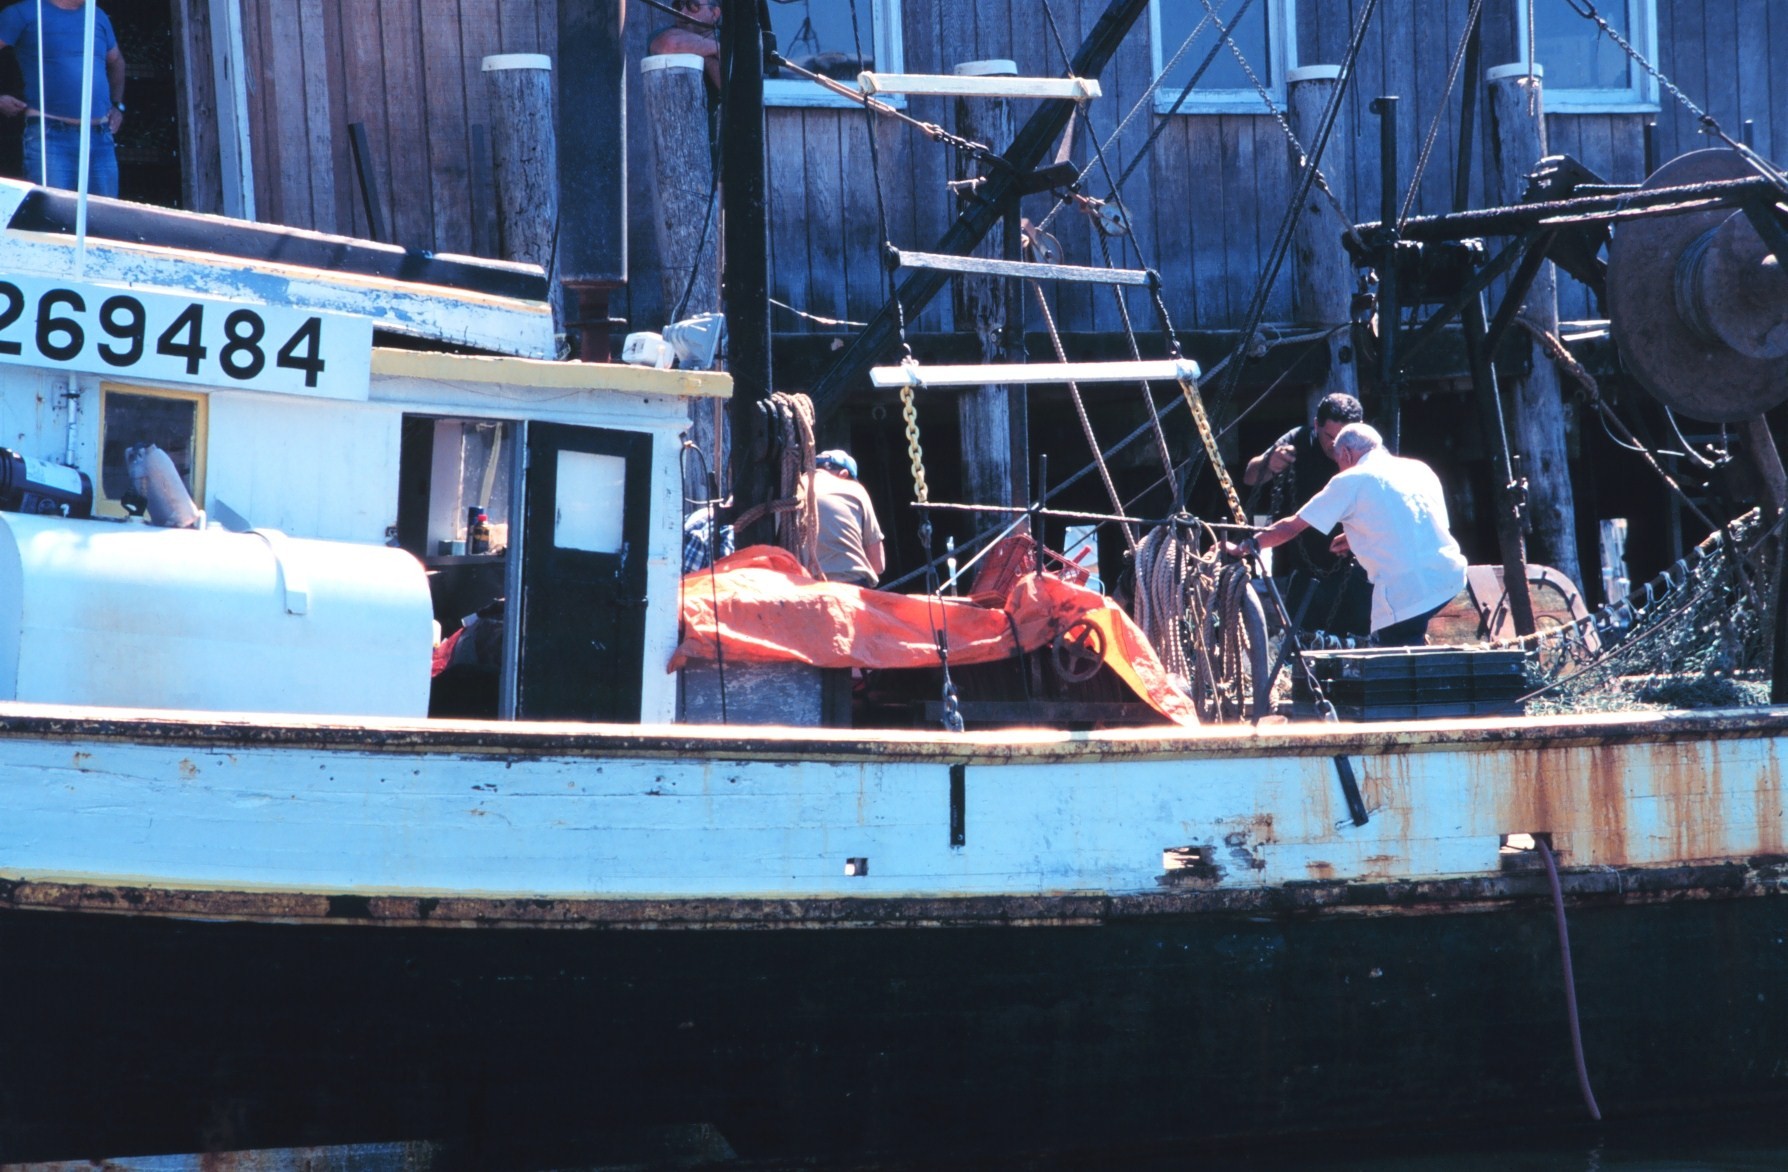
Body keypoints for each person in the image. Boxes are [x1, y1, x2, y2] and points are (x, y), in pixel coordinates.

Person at [1229, 424, 1466, 647]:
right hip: (1450, 577)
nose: (1338, 467)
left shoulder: (1351, 479)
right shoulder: (1419, 469)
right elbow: (1420, 524)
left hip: (1407, 591)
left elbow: (1291, 526)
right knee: (1407, 644)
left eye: (1338, 461)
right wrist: (1356, 538)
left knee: (1395, 664)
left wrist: (1246, 547)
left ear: (1347, 454)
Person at [1240, 392, 1370, 635]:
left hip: (1356, 568)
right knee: (1300, 646)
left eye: (1342, 439)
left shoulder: (1370, 451)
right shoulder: (1297, 441)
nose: (1335, 447)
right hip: (1306, 567)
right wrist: (1269, 462)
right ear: (1316, 425)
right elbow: (1250, 476)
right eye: (1329, 437)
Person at [0, 0, 125, 197]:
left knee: (104, 220)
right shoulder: (22, 13)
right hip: (50, 135)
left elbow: (117, 62)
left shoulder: (97, 16)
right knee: (53, 218)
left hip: (100, 137)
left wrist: (118, 106)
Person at [812, 449, 884, 588]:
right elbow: (877, 564)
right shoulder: (854, 489)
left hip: (802, 586)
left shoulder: (794, 489)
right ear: (844, 474)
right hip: (850, 587)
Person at [647, 0, 721, 94]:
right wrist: (716, 49)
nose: (682, 12)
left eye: (693, 5)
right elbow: (670, 44)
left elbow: (731, 87)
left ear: (714, 13)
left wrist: (700, 49)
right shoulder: (662, 35)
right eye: (678, 5)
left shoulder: (731, 41)